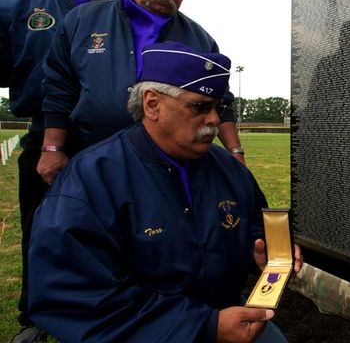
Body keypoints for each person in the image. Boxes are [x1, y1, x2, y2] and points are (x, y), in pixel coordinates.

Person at [28, 41, 302, 342]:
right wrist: (203, 328)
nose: (214, 120)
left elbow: (252, 227)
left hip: (228, 321)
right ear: (152, 105)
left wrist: (265, 253)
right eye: (200, 107)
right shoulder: (91, 181)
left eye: (217, 108)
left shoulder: (229, 169)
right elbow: (74, 299)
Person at [37, 0, 245, 186]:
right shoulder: (82, 20)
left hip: (169, 168)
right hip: (91, 157)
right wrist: (52, 149)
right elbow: (59, 88)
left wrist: (235, 153)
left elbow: (220, 102)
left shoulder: (199, 38)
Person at [0, 0, 109, 340]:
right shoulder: (22, 6)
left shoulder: (119, 14)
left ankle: (105, 306)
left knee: (107, 228)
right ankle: (36, 315)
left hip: (105, 136)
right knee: (41, 226)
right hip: (44, 132)